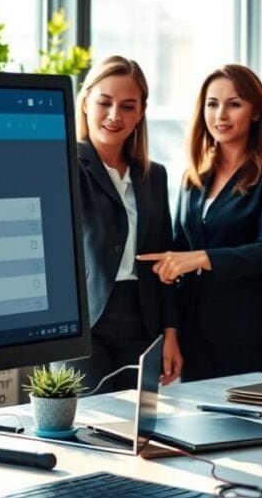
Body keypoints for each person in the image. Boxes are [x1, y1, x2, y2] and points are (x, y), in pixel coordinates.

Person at [138, 65, 262, 381]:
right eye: (212, 103)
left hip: (246, 333)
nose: (221, 114)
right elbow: (176, 253)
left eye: (234, 104)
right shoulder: (194, 175)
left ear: (256, 113)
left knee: (247, 427)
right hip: (193, 333)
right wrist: (171, 332)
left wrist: (201, 258)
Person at [63, 55, 182, 392]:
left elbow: (165, 261)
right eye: (105, 102)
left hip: (142, 323)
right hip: (84, 322)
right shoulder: (65, 164)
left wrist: (170, 333)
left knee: (136, 430)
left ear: (141, 112)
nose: (115, 116)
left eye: (128, 106)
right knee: (90, 425)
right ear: (85, 103)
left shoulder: (152, 175)